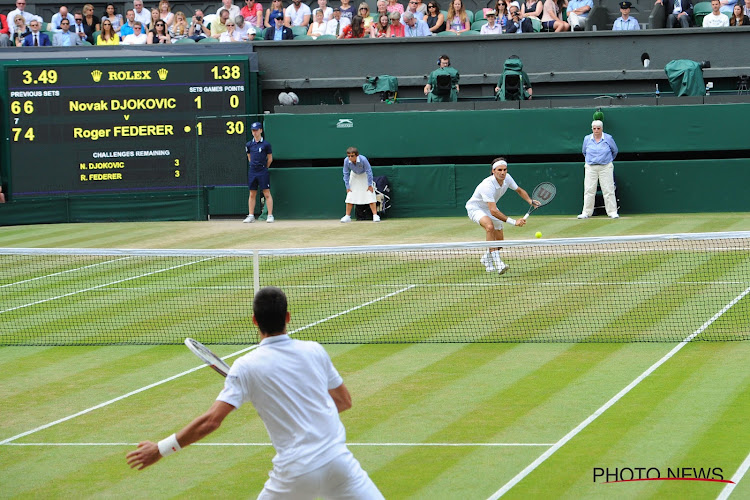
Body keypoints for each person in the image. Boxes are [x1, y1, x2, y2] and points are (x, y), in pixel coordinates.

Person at [126, 287, 384, 500]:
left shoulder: (245, 366)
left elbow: (211, 421)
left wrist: (160, 449)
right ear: (288, 317)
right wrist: (297, 409)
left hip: (296, 472)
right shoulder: (315, 350)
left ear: (254, 320)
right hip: (339, 464)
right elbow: (343, 401)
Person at [465, 158, 536, 275]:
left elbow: (519, 190)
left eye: (505, 170)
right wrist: (514, 222)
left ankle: (486, 258)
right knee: (489, 227)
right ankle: (498, 264)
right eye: (499, 170)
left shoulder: (507, 178)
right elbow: (493, 211)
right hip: (475, 208)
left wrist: (530, 201)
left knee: (500, 242)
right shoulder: (487, 185)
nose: (503, 173)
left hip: (490, 207)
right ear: (493, 171)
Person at [578, 120, 619, 219]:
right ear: (592, 129)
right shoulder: (587, 139)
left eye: (598, 128)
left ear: (602, 128)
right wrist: (591, 161)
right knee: (589, 190)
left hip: (606, 167)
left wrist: (607, 160)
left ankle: (612, 212)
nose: (596, 130)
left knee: (608, 189)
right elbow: (584, 151)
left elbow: (615, 151)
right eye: (594, 128)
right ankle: (586, 212)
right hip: (590, 167)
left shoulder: (608, 138)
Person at [244, 122, 275, 223]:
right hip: (253, 171)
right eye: (253, 130)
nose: (255, 132)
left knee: (266, 193)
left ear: (261, 130)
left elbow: (270, 159)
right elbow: (249, 157)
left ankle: (270, 215)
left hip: (263, 171)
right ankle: (251, 215)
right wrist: (254, 166)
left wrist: (264, 168)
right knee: (252, 194)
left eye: (256, 130)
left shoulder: (266, 144)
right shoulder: (249, 144)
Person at [340, 147, 379, 223]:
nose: (350, 158)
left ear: (357, 155)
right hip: (354, 175)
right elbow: (345, 173)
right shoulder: (346, 161)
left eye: (352, 156)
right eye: (349, 156)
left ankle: (375, 215)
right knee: (350, 195)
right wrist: (347, 186)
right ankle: (347, 216)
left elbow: (369, 172)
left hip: (364, 175)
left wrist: (370, 184)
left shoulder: (363, 159)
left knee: (370, 194)